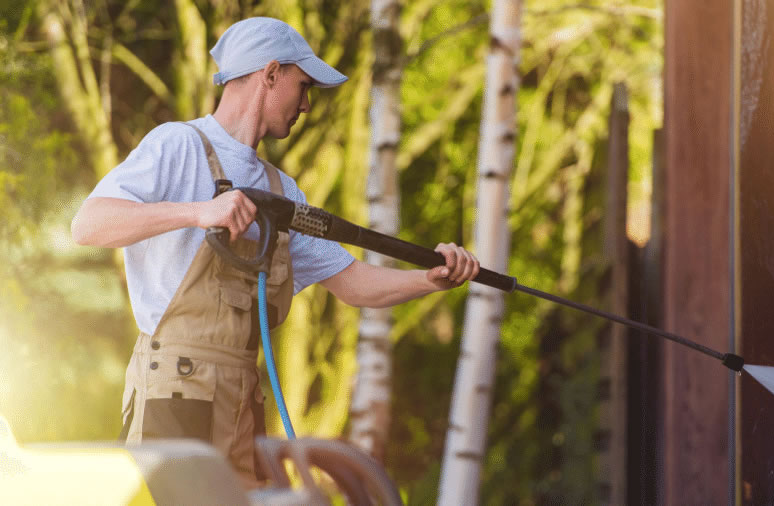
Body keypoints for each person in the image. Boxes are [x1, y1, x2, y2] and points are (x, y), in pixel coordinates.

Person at [70, 17, 480, 488]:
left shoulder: (282, 192)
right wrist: (199, 212)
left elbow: (353, 283)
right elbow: (89, 224)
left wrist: (430, 280)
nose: (307, 104)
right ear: (270, 74)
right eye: (303, 86)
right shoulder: (177, 144)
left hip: (244, 400)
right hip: (176, 390)